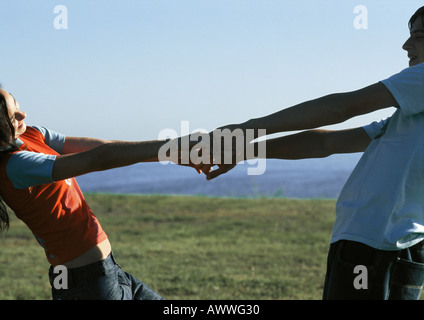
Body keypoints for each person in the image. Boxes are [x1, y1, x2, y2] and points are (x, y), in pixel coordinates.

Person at [198, 6, 424, 299]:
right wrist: (242, 148)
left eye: (418, 37)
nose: (406, 46)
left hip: (379, 249)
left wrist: (247, 128)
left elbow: (341, 108)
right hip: (379, 247)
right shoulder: (410, 116)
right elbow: (325, 144)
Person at [0, 88, 200, 300]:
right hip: (85, 284)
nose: (23, 116)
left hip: (107, 273)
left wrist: (175, 154)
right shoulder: (15, 165)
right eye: (12, 117)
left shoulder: (33, 134)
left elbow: (103, 147)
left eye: (18, 107)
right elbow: (98, 158)